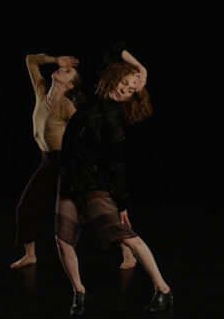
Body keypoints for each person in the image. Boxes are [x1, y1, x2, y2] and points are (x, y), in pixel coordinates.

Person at [55, 45, 172, 317]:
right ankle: (78, 293)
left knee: (128, 238)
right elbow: (109, 51)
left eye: (132, 90)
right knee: (62, 240)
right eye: (124, 82)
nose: (125, 89)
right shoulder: (95, 94)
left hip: (94, 184)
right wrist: (141, 69)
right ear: (114, 77)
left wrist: (121, 204)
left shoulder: (112, 119)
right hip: (69, 179)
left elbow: (116, 165)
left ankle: (163, 289)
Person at [11, 52, 137, 270]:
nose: (61, 70)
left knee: (96, 210)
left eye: (67, 72)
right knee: (26, 207)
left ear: (70, 86)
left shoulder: (67, 106)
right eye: (64, 68)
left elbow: (88, 129)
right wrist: (54, 60)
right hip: (48, 162)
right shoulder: (41, 90)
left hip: (68, 163)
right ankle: (30, 255)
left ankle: (128, 251)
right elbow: (30, 60)